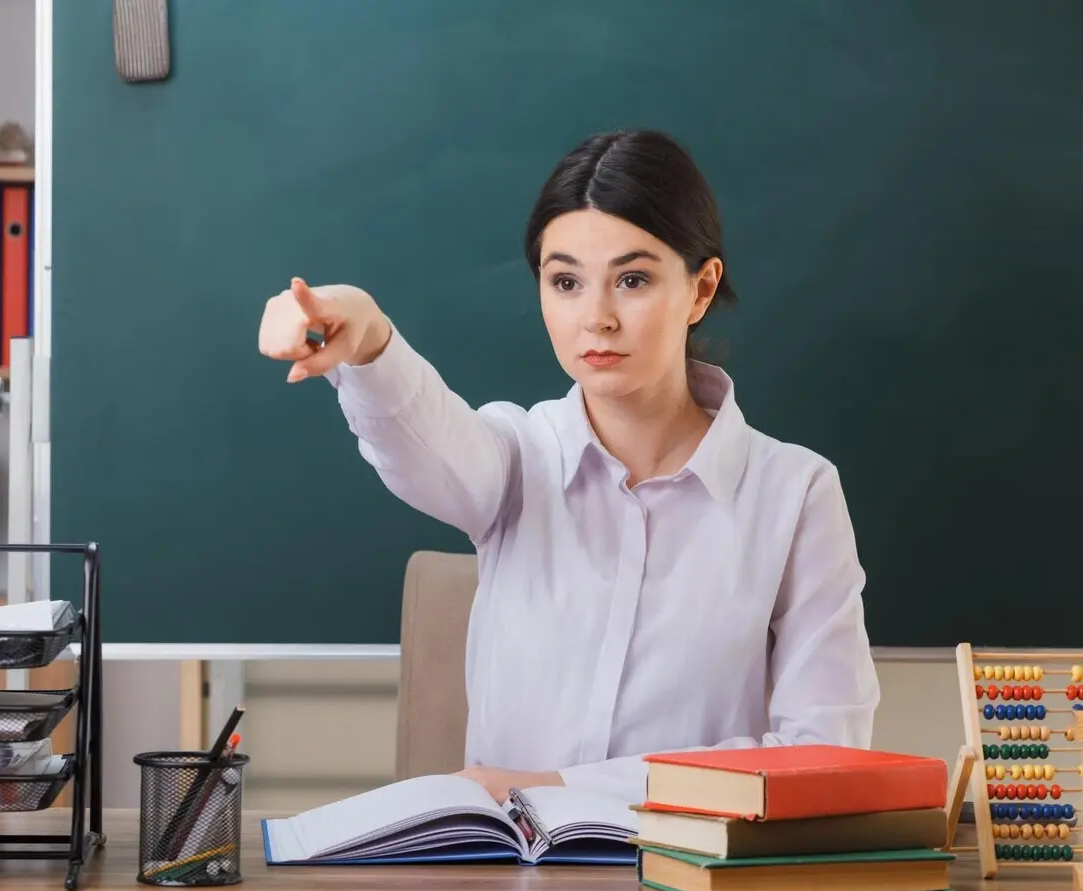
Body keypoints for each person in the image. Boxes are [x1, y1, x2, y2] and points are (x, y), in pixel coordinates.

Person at [257, 129, 879, 806]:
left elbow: (827, 757)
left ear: (701, 289)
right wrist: (366, 333)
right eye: (565, 282)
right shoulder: (515, 457)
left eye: (633, 280)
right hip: (513, 890)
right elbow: (423, 442)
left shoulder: (795, 493)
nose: (596, 318)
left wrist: (551, 788)